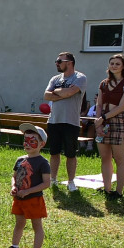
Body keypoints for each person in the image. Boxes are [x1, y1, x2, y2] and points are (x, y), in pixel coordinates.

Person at [5, 124, 52, 248]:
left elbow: (46, 183)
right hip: (19, 199)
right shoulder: (20, 160)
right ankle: (14, 247)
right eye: (25, 140)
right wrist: (14, 187)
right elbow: (14, 176)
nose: (28, 144)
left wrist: (28, 191)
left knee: (36, 225)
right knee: (19, 223)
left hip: (34, 199)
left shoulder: (43, 163)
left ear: (41, 144)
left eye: (32, 141)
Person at [43, 51, 87, 192]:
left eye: (59, 61)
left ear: (69, 62)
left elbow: (69, 93)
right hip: (54, 120)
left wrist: (57, 93)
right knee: (54, 152)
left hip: (71, 121)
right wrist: (64, 92)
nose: (56, 63)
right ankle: (53, 179)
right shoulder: (55, 78)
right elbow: (46, 95)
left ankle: (71, 181)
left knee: (70, 154)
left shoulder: (80, 77)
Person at [95, 54, 124, 199]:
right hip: (103, 122)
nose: (114, 66)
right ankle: (107, 188)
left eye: (117, 64)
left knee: (119, 159)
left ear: (123, 66)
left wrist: (103, 118)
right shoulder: (103, 83)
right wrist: (98, 121)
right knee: (105, 157)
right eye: (112, 63)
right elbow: (99, 104)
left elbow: (121, 107)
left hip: (118, 122)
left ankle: (118, 192)